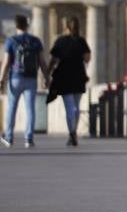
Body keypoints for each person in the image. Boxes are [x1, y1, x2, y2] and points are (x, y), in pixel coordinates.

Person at [2, 14, 48, 148]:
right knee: (30, 109)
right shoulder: (35, 41)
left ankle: (9, 137)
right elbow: (42, 62)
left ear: (16, 26)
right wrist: (46, 77)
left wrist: (1, 80)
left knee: (11, 108)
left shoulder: (11, 41)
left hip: (15, 78)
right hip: (31, 78)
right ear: (27, 25)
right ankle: (29, 138)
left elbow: (5, 63)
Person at [47, 16, 91, 146]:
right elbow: (87, 58)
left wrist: (47, 74)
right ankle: (74, 132)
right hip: (78, 76)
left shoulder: (60, 41)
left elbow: (53, 59)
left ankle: (71, 133)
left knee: (70, 108)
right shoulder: (81, 41)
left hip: (64, 77)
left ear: (66, 26)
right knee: (76, 107)